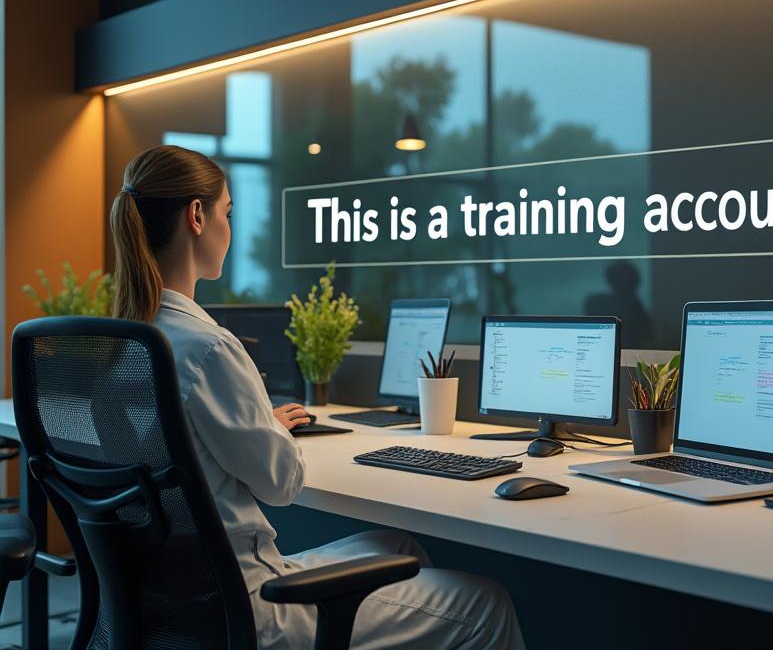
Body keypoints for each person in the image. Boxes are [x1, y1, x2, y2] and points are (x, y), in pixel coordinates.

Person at [109, 145, 526, 650]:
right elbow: (282, 484)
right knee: (486, 604)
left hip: (176, 603)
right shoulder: (208, 346)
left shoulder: (126, 344)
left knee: (399, 545)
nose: (230, 228)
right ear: (197, 216)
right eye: (228, 213)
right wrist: (265, 424)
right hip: (251, 605)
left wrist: (258, 425)